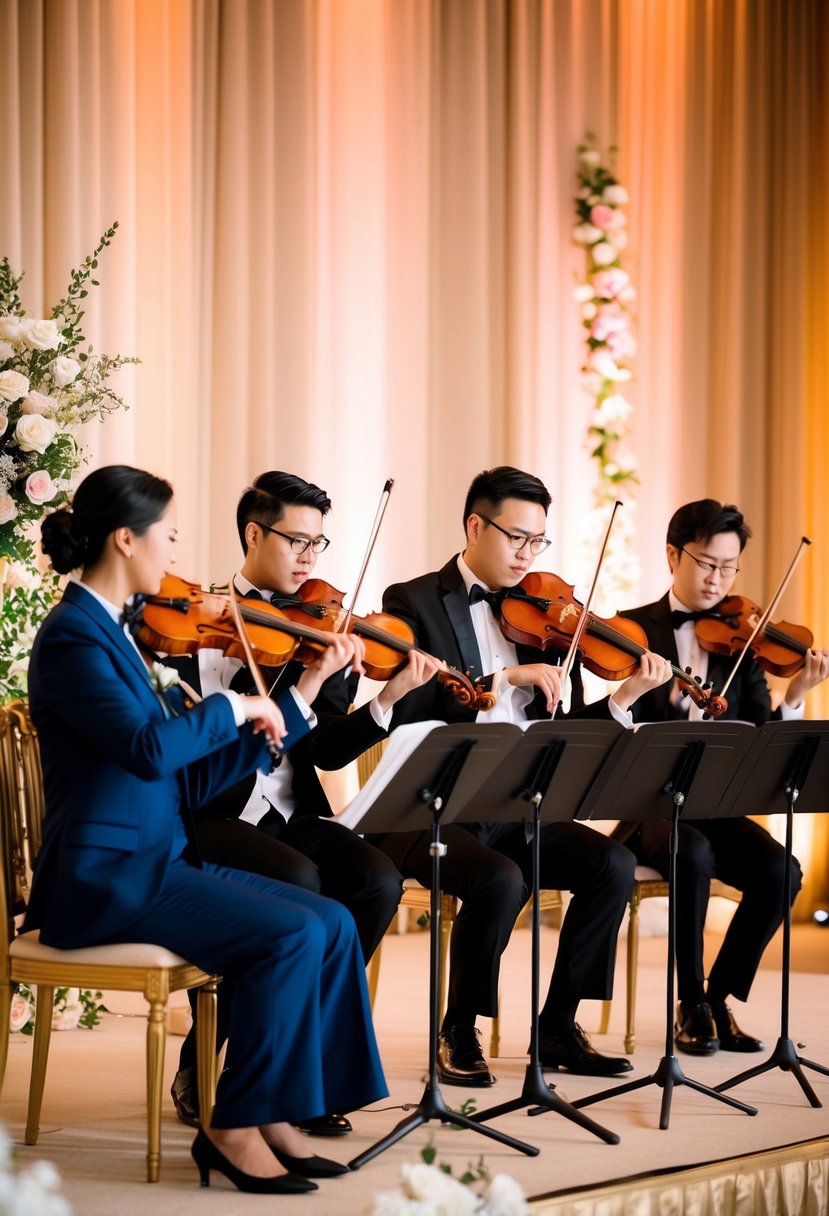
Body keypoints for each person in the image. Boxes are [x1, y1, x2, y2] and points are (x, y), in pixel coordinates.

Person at [24, 465, 387, 1193]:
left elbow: (186, 779)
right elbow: (148, 748)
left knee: (331, 920)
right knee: (287, 935)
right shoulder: (73, 639)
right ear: (127, 539)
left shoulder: (120, 635)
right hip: (103, 879)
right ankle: (230, 1126)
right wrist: (229, 709)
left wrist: (286, 707)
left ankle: (284, 1108)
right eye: (170, 537)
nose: (176, 554)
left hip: (156, 857)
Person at [369, 466, 674, 1085]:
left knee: (609, 865)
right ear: (475, 526)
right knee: (501, 881)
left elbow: (572, 724)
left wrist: (627, 697)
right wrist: (501, 682)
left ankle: (558, 1026)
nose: (527, 555)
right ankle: (458, 1028)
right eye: (516, 538)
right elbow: (409, 709)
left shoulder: (546, 616)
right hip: (432, 808)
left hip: (518, 803)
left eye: (538, 542)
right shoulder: (414, 600)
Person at [164, 470, 438, 1130]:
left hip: (290, 809)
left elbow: (325, 753)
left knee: (375, 879)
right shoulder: (192, 620)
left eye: (320, 544)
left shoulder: (322, 628)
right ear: (254, 534)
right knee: (299, 880)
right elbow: (183, 750)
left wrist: (386, 700)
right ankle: (210, 1061)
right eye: (297, 541)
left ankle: (298, 1066)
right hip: (212, 813)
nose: (310, 558)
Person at [618, 499, 829, 1056]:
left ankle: (717, 998)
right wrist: (643, 698)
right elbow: (615, 733)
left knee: (781, 871)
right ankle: (688, 1002)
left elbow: (762, 739)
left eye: (730, 566)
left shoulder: (747, 641)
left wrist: (796, 697)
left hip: (718, 808)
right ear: (672, 555)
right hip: (653, 811)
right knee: (692, 851)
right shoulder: (634, 630)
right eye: (707, 563)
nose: (718, 579)